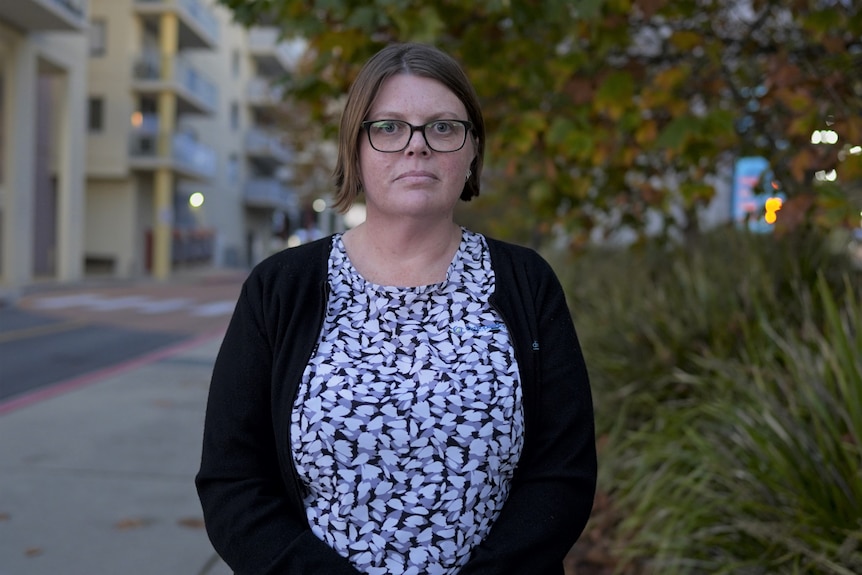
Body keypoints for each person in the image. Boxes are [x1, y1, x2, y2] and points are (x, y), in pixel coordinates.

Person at [195, 42, 597, 575]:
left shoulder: (526, 282)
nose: (417, 147)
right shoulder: (281, 287)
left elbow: (562, 474)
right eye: (388, 127)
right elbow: (233, 481)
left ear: (472, 148)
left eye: (443, 127)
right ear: (355, 148)